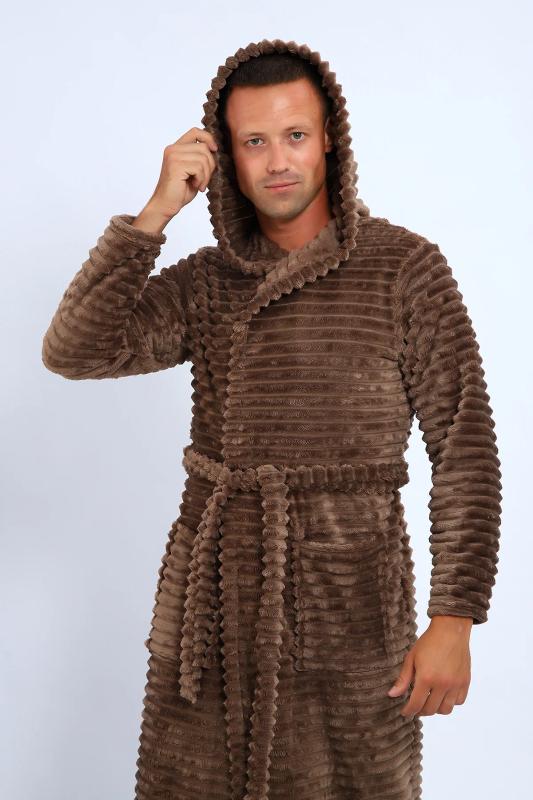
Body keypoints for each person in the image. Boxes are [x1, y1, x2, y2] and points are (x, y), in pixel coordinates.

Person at [41, 38, 502, 800]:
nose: (277, 161)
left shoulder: (404, 269)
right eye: (253, 142)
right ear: (224, 156)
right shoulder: (206, 282)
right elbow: (76, 351)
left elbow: (464, 449)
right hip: (212, 608)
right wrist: (154, 214)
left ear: (329, 139)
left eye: (294, 135)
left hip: (351, 605)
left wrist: (454, 618)